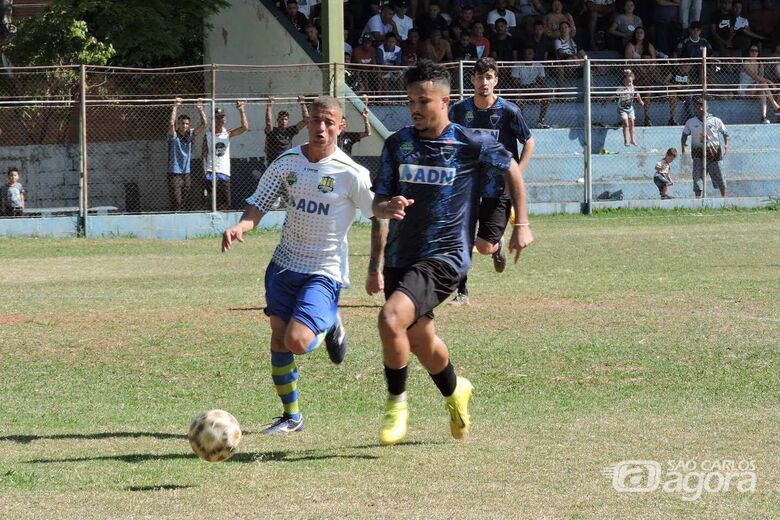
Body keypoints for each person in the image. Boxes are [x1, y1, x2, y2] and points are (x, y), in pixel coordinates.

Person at [372, 61, 533, 446]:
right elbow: (377, 203)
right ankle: (455, 390)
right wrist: (387, 207)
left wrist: (521, 224)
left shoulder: (470, 143)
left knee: (391, 319)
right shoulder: (398, 144)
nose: (415, 107)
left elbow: (512, 170)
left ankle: (397, 406)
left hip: (445, 257)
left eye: (423, 100)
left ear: (445, 101)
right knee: (421, 340)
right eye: (410, 100)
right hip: (401, 255)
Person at [221, 96, 378, 435]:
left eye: (328, 122)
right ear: (307, 122)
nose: (321, 128)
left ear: (340, 126)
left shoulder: (352, 174)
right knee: (279, 341)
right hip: (283, 265)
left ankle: (331, 320)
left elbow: (374, 210)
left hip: (324, 270)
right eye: (315, 121)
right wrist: (241, 226)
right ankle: (291, 417)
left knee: (297, 341)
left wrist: (388, 207)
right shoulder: (287, 162)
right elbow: (259, 204)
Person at [449, 57, 536, 304]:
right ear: (472, 79)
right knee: (461, 237)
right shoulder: (459, 111)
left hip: (498, 187)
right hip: (466, 184)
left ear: (496, 80)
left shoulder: (509, 111)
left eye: (489, 77)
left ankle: (496, 248)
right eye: (479, 77)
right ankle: (461, 291)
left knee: (484, 245)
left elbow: (529, 141)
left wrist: (516, 173)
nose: (484, 82)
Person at [202, 101, 248, 211]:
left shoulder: (228, 133)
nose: (220, 120)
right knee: (212, 202)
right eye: (217, 118)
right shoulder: (208, 135)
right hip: (211, 171)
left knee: (226, 202)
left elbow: (244, 127)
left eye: (222, 117)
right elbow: (203, 154)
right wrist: (204, 173)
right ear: (214, 120)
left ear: (225, 119)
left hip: (224, 172)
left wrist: (241, 110)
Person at [681, 98, 730, 198]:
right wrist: (683, 146)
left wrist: (726, 145)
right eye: (698, 106)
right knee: (697, 178)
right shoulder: (691, 122)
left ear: (707, 107)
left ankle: (724, 200)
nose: (701, 108)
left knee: (719, 177)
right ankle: (698, 200)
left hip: (714, 154)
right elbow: (684, 135)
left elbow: (725, 133)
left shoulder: (715, 120)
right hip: (698, 155)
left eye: (703, 105)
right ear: (695, 108)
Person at [168, 98, 206, 212]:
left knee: (186, 197)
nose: (185, 126)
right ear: (178, 124)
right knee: (177, 199)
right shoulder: (174, 135)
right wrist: (175, 107)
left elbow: (204, 124)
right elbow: (171, 123)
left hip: (186, 171)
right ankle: (175, 214)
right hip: (174, 171)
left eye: (187, 124)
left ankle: (182, 213)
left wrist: (200, 109)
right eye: (182, 123)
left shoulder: (190, 134)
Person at [739, 45, 780, 124]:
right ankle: (775, 105)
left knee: (762, 92)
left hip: (756, 87)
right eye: (752, 50)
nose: (754, 52)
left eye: (756, 51)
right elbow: (754, 77)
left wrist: (761, 67)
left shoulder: (759, 63)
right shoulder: (745, 63)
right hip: (746, 89)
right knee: (763, 84)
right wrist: (770, 82)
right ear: (748, 52)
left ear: (758, 53)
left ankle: (764, 117)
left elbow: (760, 77)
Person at [603, 69, 644, 146]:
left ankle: (632, 139)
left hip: (630, 108)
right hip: (622, 109)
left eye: (630, 82)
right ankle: (626, 140)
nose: (629, 83)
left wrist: (640, 101)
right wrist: (607, 102)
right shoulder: (621, 89)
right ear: (624, 81)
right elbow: (614, 96)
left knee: (632, 122)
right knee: (625, 122)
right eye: (627, 81)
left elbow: (637, 94)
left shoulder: (633, 87)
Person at [512, 47, 551, 128]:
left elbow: (542, 81)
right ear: (523, 55)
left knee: (546, 95)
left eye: (530, 53)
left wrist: (535, 86)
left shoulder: (539, 65)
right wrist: (527, 87)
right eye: (525, 54)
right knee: (518, 95)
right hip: (522, 90)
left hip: (534, 89)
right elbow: (515, 82)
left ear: (533, 55)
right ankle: (520, 121)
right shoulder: (517, 65)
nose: (527, 56)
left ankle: (541, 121)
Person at [265, 95, 309, 164]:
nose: (283, 121)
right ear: (278, 120)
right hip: (273, 163)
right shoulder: (272, 131)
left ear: (288, 121)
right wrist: (269, 105)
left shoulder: (290, 131)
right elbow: (268, 123)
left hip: (287, 162)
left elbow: (306, 120)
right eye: (281, 119)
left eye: (285, 119)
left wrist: (302, 104)